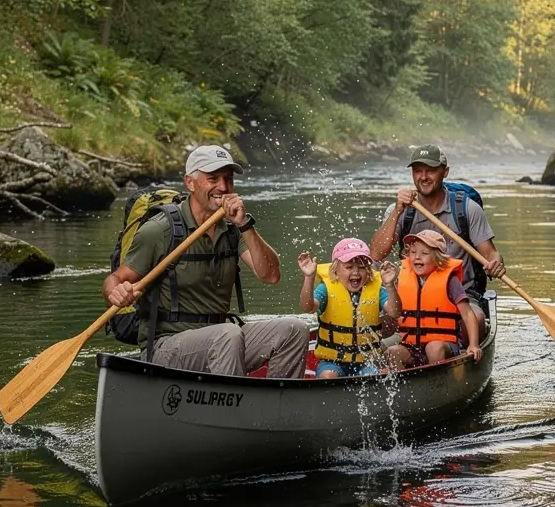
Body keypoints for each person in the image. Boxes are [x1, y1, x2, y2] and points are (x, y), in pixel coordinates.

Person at [103, 145, 310, 378]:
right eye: (213, 178)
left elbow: (271, 275)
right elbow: (116, 279)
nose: (223, 187)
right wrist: (116, 293)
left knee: (295, 330)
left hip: (223, 339)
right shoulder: (160, 230)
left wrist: (244, 225)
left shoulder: (233, 228)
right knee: (228, 335)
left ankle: (275, 408)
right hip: (166, 347)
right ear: (190, 182)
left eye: (228, 179)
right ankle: (232, 411)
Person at [370, 143, 505, 336]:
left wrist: (496, 264)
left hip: (462, 295)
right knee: (374, 322)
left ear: (445, 172)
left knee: (475, 320)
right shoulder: (399, 211)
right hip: (410, 296)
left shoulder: (467, 209)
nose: (423, 177)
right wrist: (398, 210)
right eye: (418, 171)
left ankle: (461, 354)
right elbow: (376, 253)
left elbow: (491, 254)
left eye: (431, 171)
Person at [297, 238, 400, 378]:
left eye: (362, 267)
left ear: (369, 270)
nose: (356, 272)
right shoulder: (326, 289)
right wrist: (309, 277)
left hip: (367, 361)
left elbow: (395, 312)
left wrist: (390, 286)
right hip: (332, 361)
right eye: (349, 267)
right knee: (328, 376)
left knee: (373, 377)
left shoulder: (377, 289)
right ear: (335, 269)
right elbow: (308, 307)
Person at [386, 230, 482, 370]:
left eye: (424, 253)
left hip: (444, 346)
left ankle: (437, 387)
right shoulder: (402, 278)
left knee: (434, 347)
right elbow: (394, 309)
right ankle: (402, 390)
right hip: (413, 346)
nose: (417, 257)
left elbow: (467, 314)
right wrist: (389, 284)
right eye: (413, 252)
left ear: (438, 258)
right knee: (392, 352)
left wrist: (473, 344)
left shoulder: (450, 281)